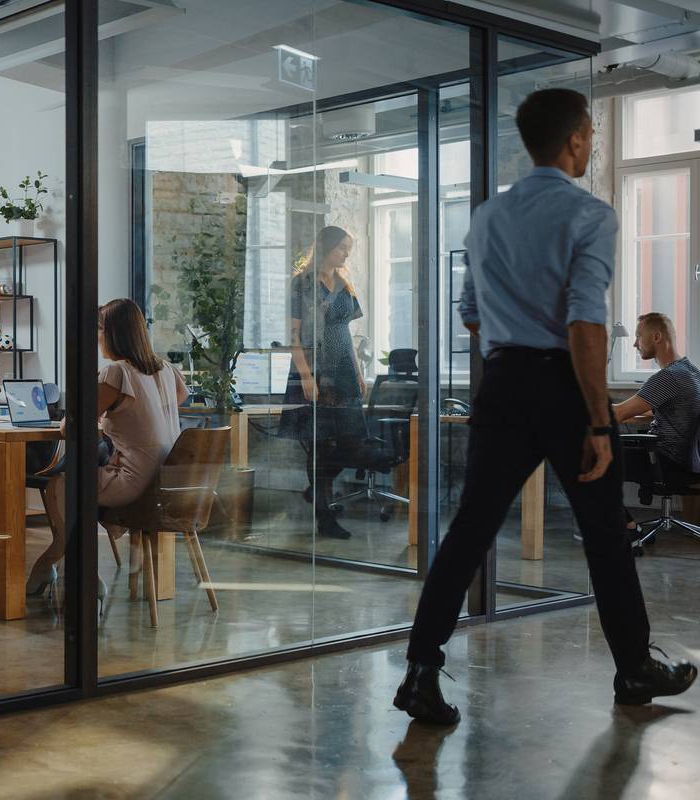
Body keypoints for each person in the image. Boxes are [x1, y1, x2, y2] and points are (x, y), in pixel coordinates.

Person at [394, 89, 696, 726]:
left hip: (501, 383)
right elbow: (586, 326)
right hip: (563, 385)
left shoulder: (485, 219)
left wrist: (516, 342)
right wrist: (595, 419)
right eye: (591, 134)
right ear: (578, 139)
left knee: (470, 530)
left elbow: (472, 317)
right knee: (605, 535)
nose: (592, 143)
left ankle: (421, 670)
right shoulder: (590, 216)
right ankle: (635, 669)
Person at [26, 298, 188, 597]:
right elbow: (179, 396)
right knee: (81, 479)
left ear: (112, 333)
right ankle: (59, 566)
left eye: (98, 329)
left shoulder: (117, 372)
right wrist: (132, 417)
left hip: (135, 483)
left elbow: (68, 428)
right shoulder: (165, 368)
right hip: (164, 481)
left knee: (59, 485)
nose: (95, 335)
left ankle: (61, 562)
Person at [280, 225, 368, 539]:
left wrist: (358, 372)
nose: (346, 253)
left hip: (343, 369)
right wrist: (305, 374)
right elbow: (293, 335)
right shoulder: (301, 284)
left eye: (348, 248)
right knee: (319, 445)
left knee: (353, 443)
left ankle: (316, 491)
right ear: (326, 246)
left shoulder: (344, 282)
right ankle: (324, 516)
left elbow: (347, 333)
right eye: (342, 247)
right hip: (315, 370)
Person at [613, 312, 700, 467]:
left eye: (638, 337)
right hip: (680, 459)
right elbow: (664, 411)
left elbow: (617, 414)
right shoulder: (691, 371)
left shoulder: (668, 377)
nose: (635, 344)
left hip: (664, 459)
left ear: (656, 337)